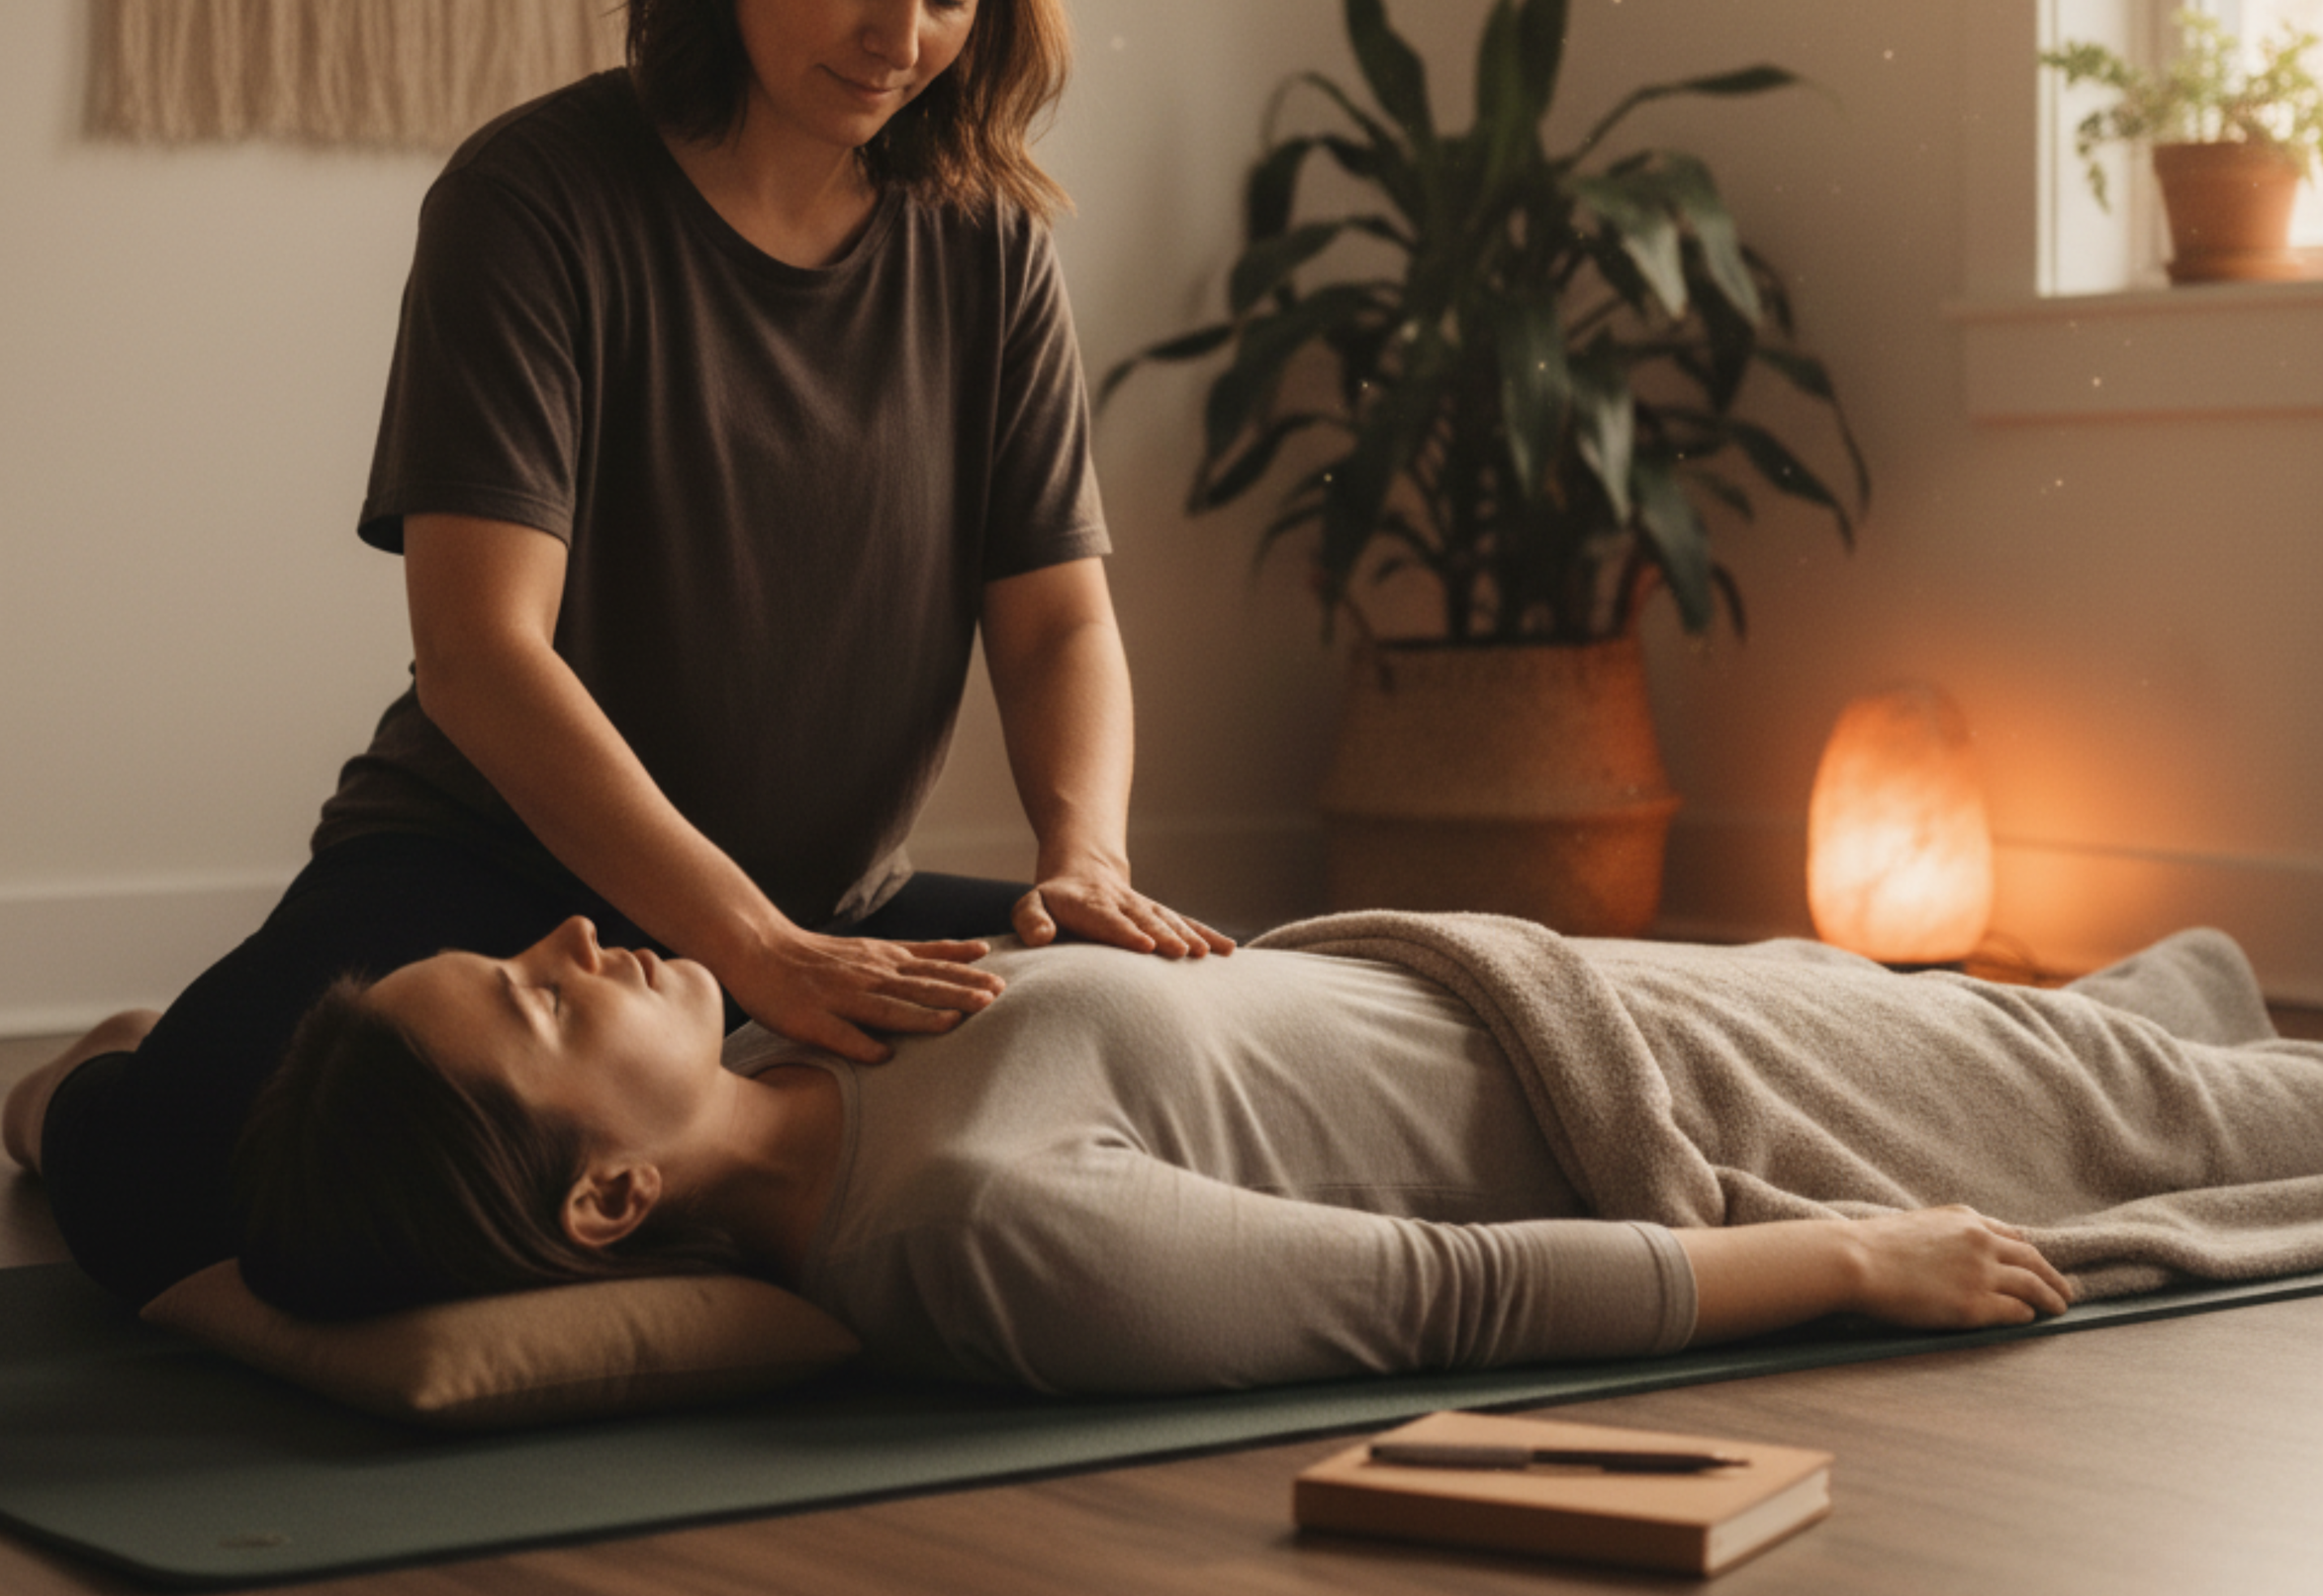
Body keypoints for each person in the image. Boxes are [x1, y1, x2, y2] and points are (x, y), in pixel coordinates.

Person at [15, 0, 1230, 1311]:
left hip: (830, 906)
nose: (900, 33)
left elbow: (1057, 624)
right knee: (163, 1200)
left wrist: (1086, 863)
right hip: (494, 887)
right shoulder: (532, 194)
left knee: (1201, 1014)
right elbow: (479, 654)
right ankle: (95, 1077)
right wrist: (748, 944)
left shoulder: (988, 239)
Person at [193, 909, 2323, 1398]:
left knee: (2107, 1027)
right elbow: (1442, 1297)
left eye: (519, 951)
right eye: (545, 1001)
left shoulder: (803, 1016)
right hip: (1701, 1102)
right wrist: (1860, 1258)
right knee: (2217, 1115)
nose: (574, 937)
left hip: (1585, 978)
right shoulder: (982, 1234)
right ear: (604, 1200)